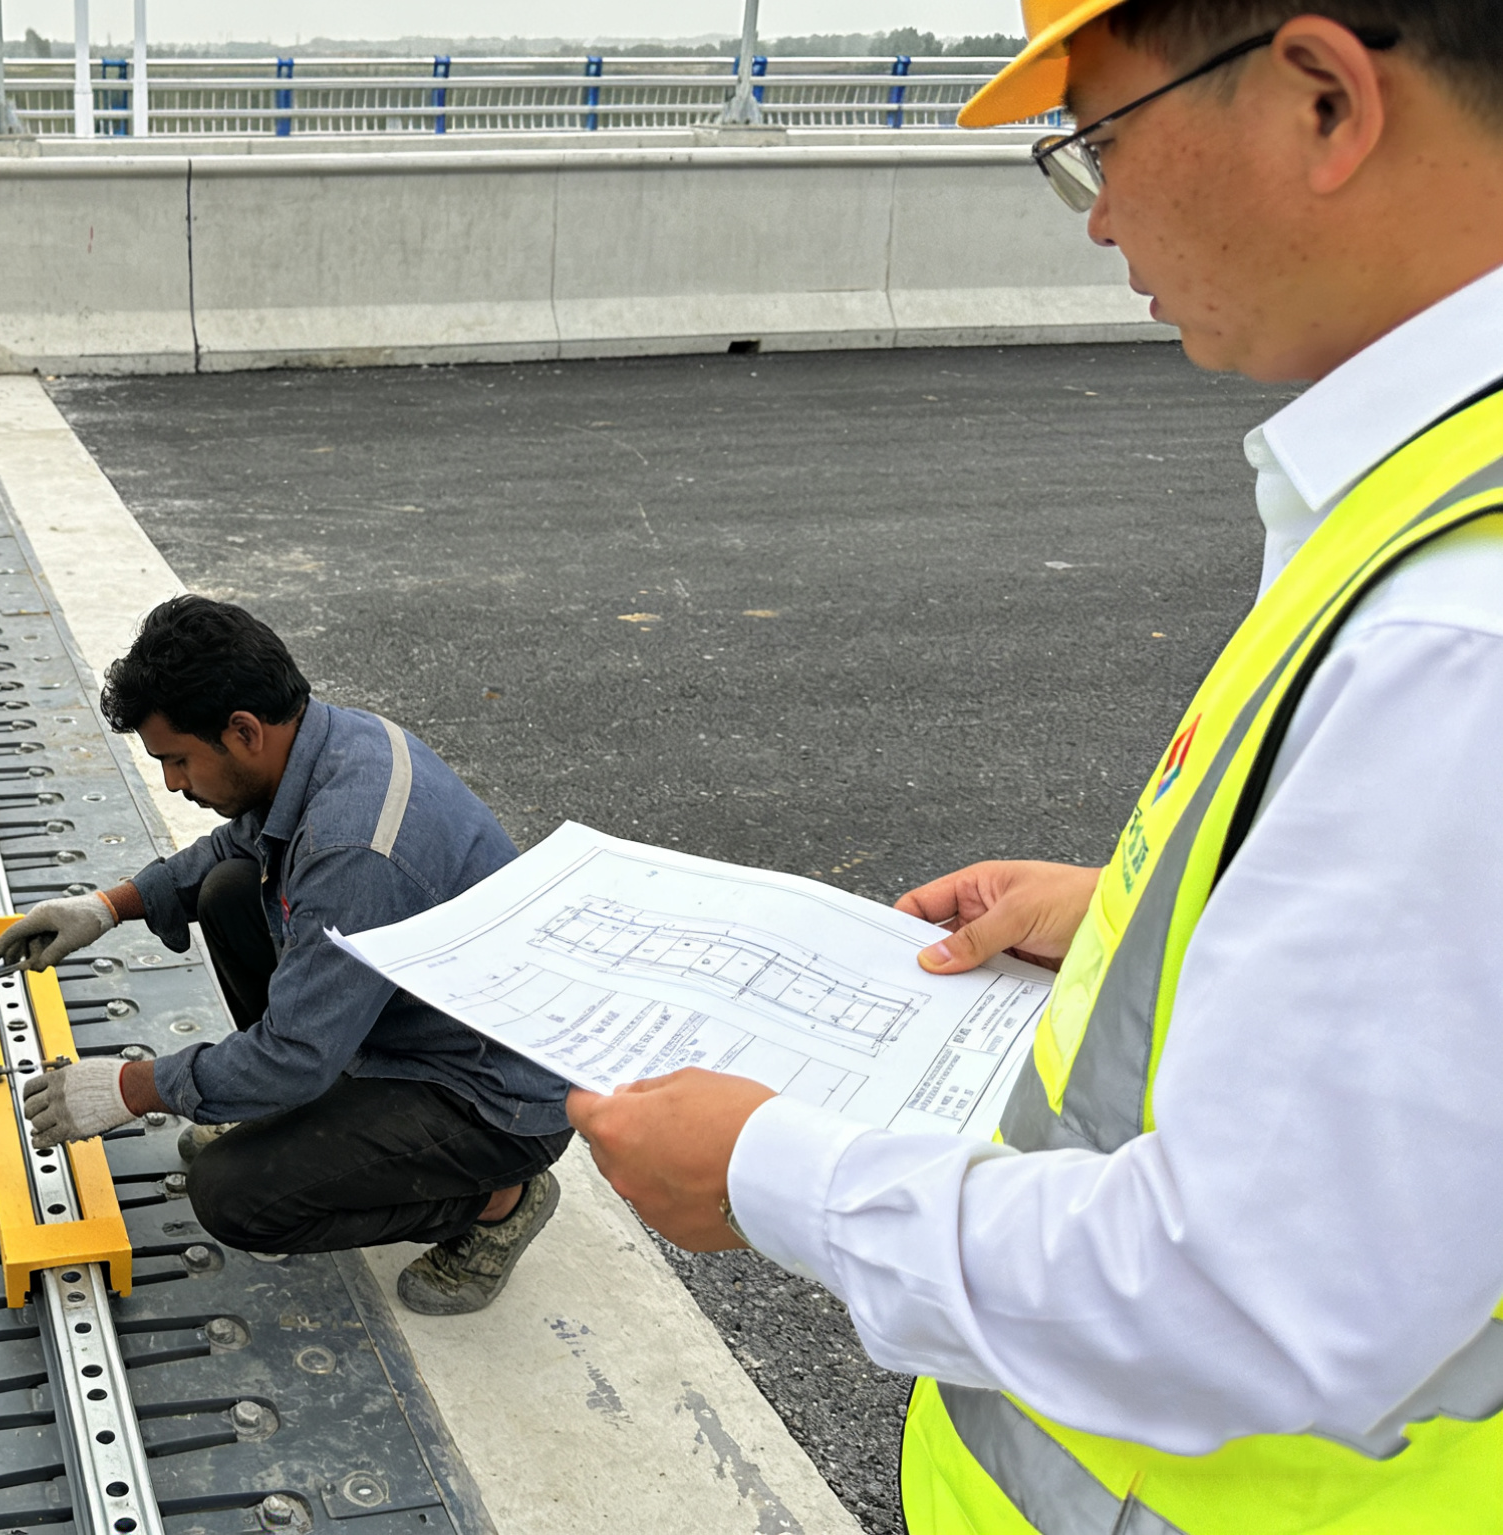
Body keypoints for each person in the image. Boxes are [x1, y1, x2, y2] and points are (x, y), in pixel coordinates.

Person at [569, 1, 1503, 1529]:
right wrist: (1151, 908)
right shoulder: (1430, 507)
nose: (1100, 218)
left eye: (1099, 145)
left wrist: (764, 1173)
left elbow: (1241, 1303)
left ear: (1323, 97)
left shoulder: (1455, 632)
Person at [2, 597, 572, 1314]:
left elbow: (295, 1054)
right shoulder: (328, 741)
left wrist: (130, 1087)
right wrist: (109, 905)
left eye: (178, 759)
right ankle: (314, 1114)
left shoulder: (352, 847)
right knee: (231, 889)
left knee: (234, 1195)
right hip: (422, 1015)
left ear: (242, 730)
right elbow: (236, 843)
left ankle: (499, 1199)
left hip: (495, 1091)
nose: (174, 782)